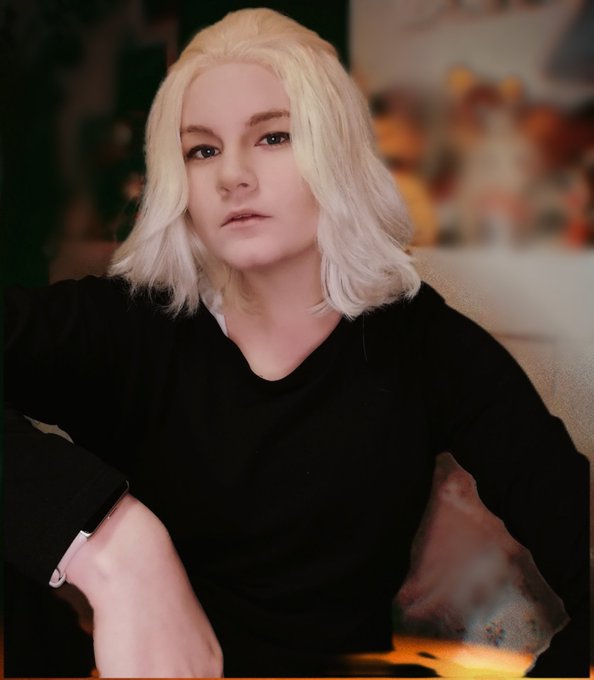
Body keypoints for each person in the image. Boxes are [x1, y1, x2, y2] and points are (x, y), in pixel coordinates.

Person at [4, 7, 589, 678]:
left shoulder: (426, 344)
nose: (232, 175)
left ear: (336, 150)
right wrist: (111, 545)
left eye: (274, 136)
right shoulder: (128, 325)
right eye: (202, 150)